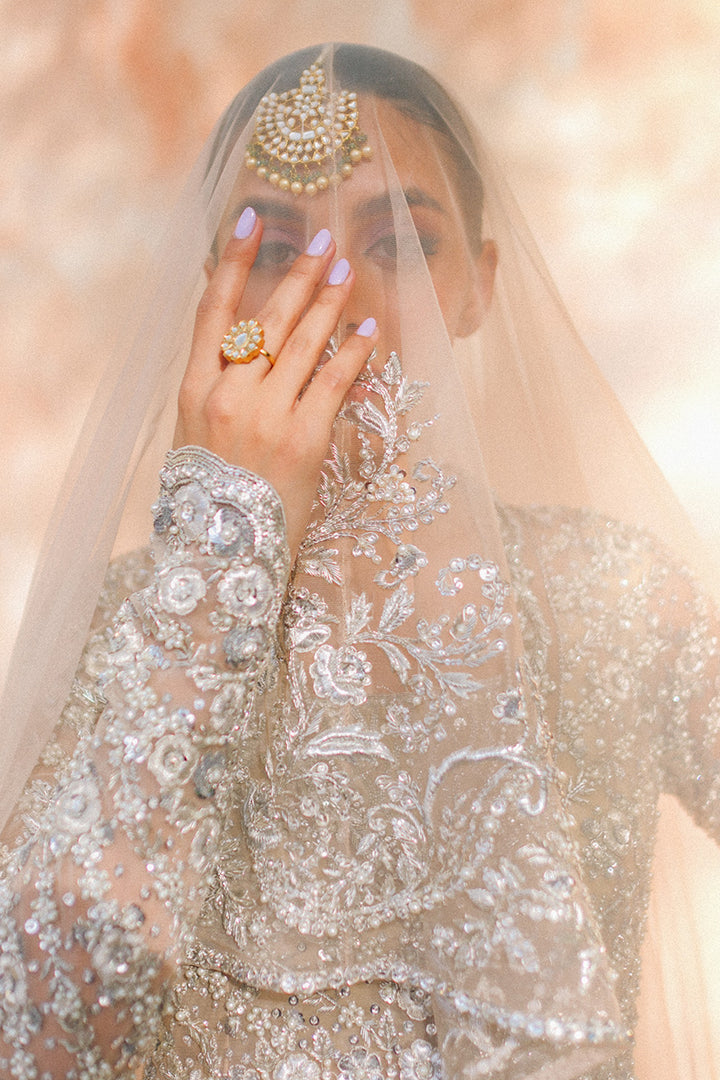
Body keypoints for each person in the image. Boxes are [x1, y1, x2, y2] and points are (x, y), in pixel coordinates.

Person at [0, 43, 717, 1080]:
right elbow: (40, 1031)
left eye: (400, 243)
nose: (333, 303)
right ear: (213, 293)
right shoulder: (128, 623)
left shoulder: (610, 593)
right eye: (275, 252)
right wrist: (218, 552)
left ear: (477, 287)